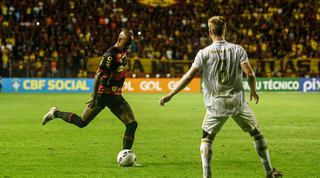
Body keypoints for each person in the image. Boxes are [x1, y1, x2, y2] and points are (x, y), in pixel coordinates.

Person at [159, 16, 283, 178]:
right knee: (256, 133)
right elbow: (250, 73)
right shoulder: (238, 50)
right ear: (225, 30)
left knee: (207, 138)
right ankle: (268, 171)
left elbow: (188, 77)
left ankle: (207, 175)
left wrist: (171, 94)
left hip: (215, 104)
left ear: (210, 32)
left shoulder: (203, 53)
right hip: (238, 102)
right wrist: (253, 90)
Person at [42, 30, 140, 166]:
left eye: (129, 44)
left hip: (115, 95)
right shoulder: (110, 55)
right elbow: (98, 75)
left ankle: (126, 158)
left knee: (132, 124)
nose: (127, 46)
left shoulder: (123, 51)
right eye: (126, 43)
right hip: (103, 95)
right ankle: (54, 113)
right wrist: (94, 96)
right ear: (119, 39)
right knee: (82, 122)